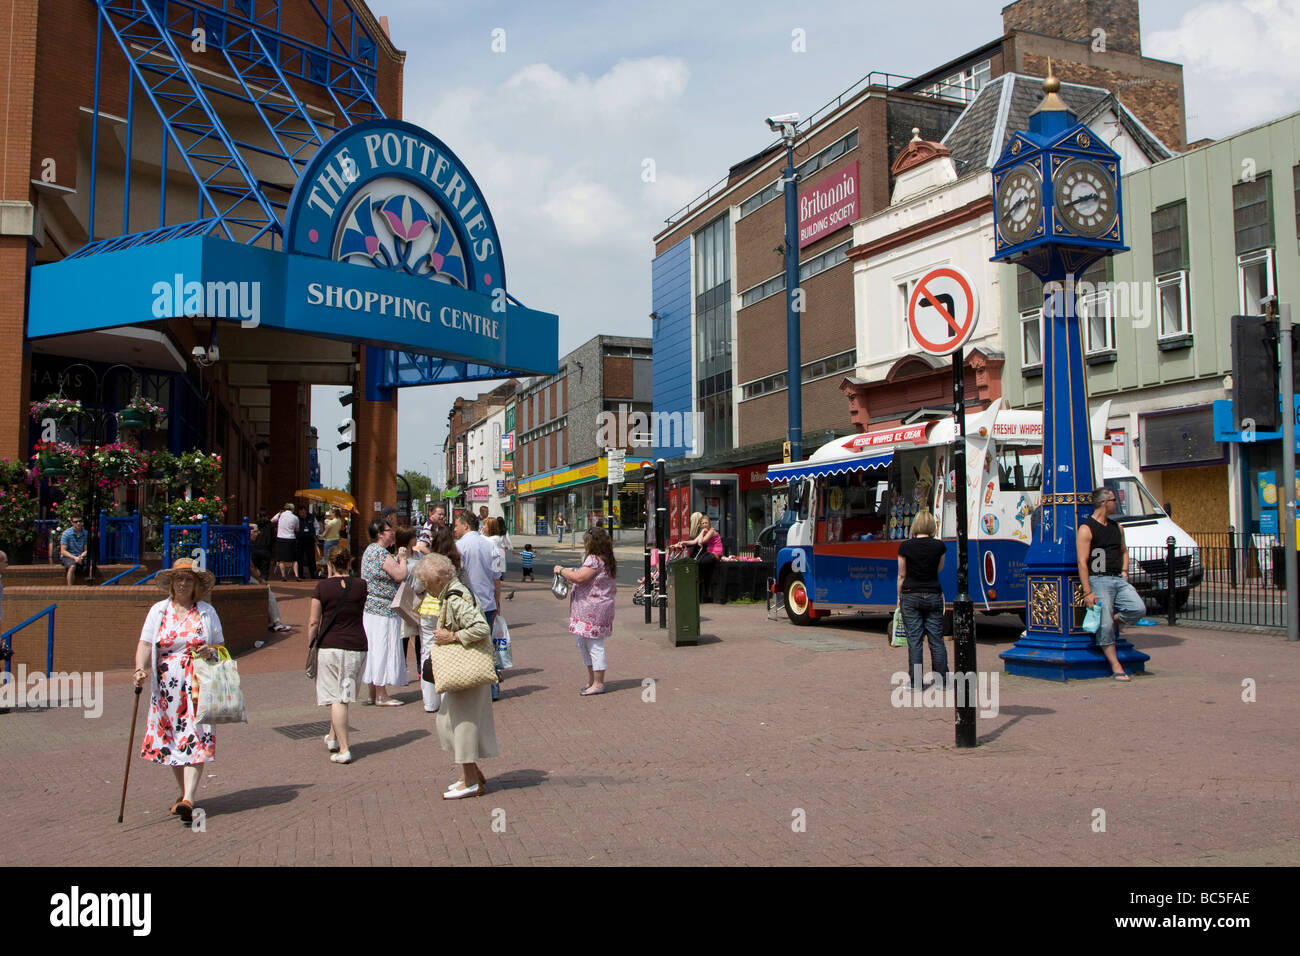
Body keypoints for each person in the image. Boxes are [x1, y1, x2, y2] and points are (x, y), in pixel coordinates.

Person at [131, 558, 223, 824]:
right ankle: (184, 794)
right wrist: (139, 669)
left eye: (188, 580)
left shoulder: (206, 612)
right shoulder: (158, 611)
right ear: (172, 583)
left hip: (197, 684)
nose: (183, 583)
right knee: (172, 739)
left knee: (196, 736)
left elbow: (220, 646)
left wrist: (210, 651)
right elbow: (146, 643)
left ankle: (189, 798)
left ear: (196, 585)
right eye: (179, 579)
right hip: (166, 689)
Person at [417, 553, 497, 799]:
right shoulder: (452, 593)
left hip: (465, 669)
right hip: (462, 670)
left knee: (460, 724)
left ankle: (471, 780)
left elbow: (481, 627)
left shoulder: (455, 597)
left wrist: (452, 637)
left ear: (440, 580)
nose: (426, 589)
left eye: (427, 584)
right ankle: (470, 775)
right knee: (450, 722)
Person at [1078, 487, 1146, 681]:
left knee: (1138, 609)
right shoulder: (1086, 529)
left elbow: (1124, 551)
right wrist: (1087, 591)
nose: (1118, 503)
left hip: (1117, 577)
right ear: (1104, 503)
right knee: (1105, 626)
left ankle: (1112, 620)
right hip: (1098, 579)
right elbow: (1082, 562)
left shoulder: (1118, 527)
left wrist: (1124, 570)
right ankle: (1116, 666)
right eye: (1114, 499)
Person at [308, 546, 368, 763]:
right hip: (357, 644)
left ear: (330, 564)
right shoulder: (361, 585)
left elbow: (314, 621)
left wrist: (310, 643)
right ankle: (333, 738)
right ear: (350, 563)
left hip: (331, 646)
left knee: (336, 698)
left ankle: (344, 749)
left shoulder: (322, 587)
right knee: (343, 694)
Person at [555, 527, 618, 696]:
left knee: (593, 645)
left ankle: (598, 683)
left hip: (592, 610)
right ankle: (592, 680)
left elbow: (580, 577)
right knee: (584, 642)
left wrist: (561, 570)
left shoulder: (594, 560)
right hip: (594, 608)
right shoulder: (606, 559)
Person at [897, 510, 949, 689]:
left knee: (915, 640)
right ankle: (942, 680)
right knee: (936, 639)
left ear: (915, 525)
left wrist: (899, 596)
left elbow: (901, 575)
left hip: (911, 594)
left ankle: (916, 682)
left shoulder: (905, 546)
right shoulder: (939, 546)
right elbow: (939, 569)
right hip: (933, 593)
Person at [360, 517, 409, 704]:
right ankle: (381, 695)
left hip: (371, 608)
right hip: (383, 610)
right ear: (380, 534)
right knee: (382, 647)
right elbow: (399, 574)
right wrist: (403, 559)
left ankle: (374, 691)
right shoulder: (380, 553)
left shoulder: (370, 551)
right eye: (389, 530)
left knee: (374, 648)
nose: (393, 532)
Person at [454, 511, 501, 701]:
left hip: (468, 604)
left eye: (457, 525)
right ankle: (492, 690)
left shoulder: (459, 546)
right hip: (488, 602)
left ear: (466, 526)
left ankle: (473, 690)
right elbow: (497, 578)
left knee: (469, 646)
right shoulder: (490, 545)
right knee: (488, 646)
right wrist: (498, 603)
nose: (455, 529)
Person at [679, 512, 723, 601]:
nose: (704, 525)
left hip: (715, 554)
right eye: (702, 523)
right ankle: (699, 591)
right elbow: (694, 542)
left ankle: (701, 591)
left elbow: (702, 541)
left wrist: (702, 532)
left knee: (696, 563)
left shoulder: (711, 531)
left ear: (709, 523)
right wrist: (682, 542)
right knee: (696, 565)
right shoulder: (704, 532)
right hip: (709, 554)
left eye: (706, 523)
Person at [272, 501, 299, 581]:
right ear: (292, 509)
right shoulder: (295, 517)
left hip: (281, 538)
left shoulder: (280, 514)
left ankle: (283, 576)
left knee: (281, 559)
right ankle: (297, 576)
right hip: (291, 538)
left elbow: (272, 520)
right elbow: (297, 529)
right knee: (294, 559)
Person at [59, 514, 88, 585]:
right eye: (76, 522)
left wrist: (81, 556)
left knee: (90, 565)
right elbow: (63, 551)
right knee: (72, 566)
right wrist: (75, 558)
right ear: (72, 523)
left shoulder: (86, 533)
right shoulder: (66, 534)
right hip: (68, 556)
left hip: (80, 556)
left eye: (80, 521)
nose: (78, 523)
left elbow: (86, 549)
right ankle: (70, 588)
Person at [296, 505, 319, 580]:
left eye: (302, 512)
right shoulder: (297, 518)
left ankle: (313, 574)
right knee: (300, 557)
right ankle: (300, 574)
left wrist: (316, 534)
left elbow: (317, 526)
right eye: (300, 513)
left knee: (311, 557)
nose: (301, 514)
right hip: (300, 539)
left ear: (305, 511)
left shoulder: (312, 517)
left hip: (309, 539)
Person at [250, 512, 274, 583]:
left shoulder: (255, 524)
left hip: (255, 547)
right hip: (265, 548)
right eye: (255, 532)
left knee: (255, 565)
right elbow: (273, 537)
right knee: (264, 569)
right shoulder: (270, 525)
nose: (258, 533)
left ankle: (259, 581)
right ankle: (263, 581)